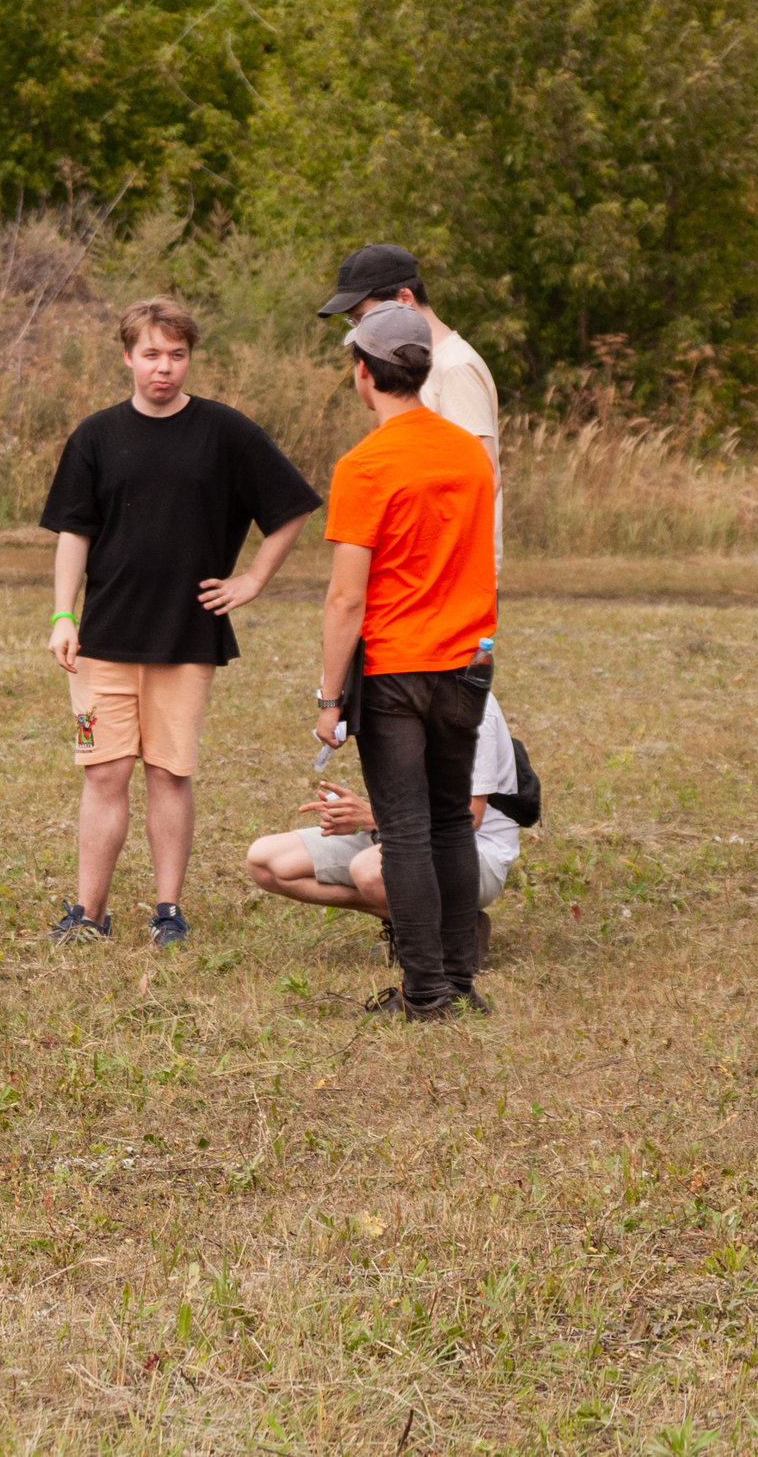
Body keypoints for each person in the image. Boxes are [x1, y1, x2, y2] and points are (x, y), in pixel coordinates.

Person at [40, 297, 322, 949]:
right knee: (104, 773)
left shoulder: (226, 432)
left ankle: (168, 910)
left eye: (176, 355)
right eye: (150, 355)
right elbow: (73, 534)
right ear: (127, 357)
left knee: (169, 772)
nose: (163, 368)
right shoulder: (95, 436)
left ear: (189, 357)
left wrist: (252, 578)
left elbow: (291, 507)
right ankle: (89, 913)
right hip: (102, 639)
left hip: (186, 636)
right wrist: (63, 614)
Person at [313, 301, 498, 1020]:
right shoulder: (468, 454)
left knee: (407, 829)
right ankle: (458, 979)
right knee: (452, 819)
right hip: (467, 662)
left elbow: (344, 600)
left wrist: (331, 700)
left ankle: (423, 993)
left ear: (364, 374)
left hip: (395, 669)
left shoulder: (365, 466)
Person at [247, 691, 524, 969]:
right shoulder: (388, 693)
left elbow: (468, 817)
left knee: (369, 872)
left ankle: (449, 936)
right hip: (405, 832)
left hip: (473, 852)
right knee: (267, 861)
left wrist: (373, 816)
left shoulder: (469, 704)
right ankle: (442, 926)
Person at [320, 245, 501, 578]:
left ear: (404, 298)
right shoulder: (411, 364)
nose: (358, 331)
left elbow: (484, 477)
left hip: (448, 577)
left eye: (361, 318)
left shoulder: (455, 366)